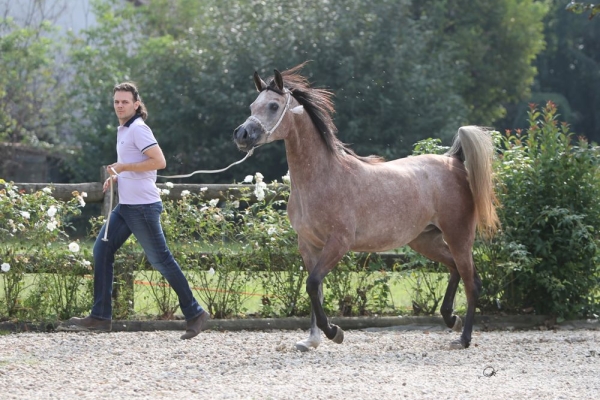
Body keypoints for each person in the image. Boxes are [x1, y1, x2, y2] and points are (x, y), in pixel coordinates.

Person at [59, 82, 209, 340]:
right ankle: (100, 317)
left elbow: (159, 161)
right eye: (116, 101)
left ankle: (195, 313)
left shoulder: (139, 129)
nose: (119, 106)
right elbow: (138, 164)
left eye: (125, 102)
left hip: (143, 208)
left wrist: (123, 167)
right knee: (102, 250)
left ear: (136, 104)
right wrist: (119, 176)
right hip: (127, 206)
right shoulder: (125, 130)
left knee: (161, 260)